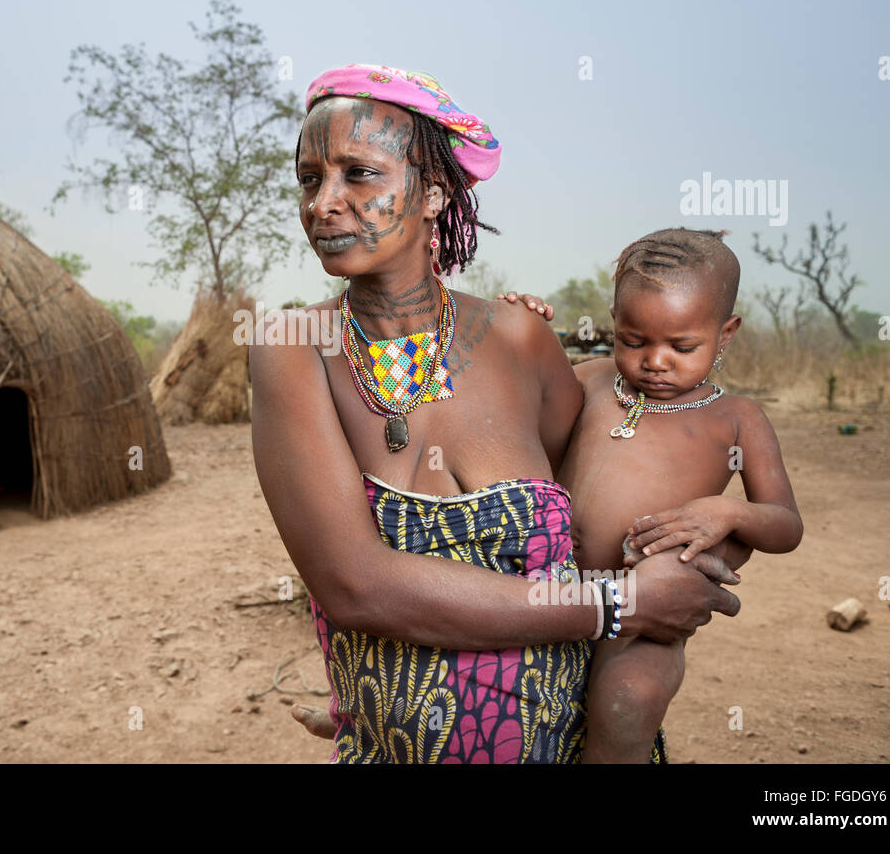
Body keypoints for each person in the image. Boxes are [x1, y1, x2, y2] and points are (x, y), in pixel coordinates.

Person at [250, 63, 741, 764]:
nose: (323, 202)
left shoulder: (519, 339)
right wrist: (620, 601)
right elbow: (357, 585)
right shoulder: (293, 351)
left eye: (358, 173)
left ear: (434, 192)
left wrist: (720, 523)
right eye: (309, 178)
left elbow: (606, 481)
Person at [556, 227, 803, 762]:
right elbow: (522, 405)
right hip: (554, 593)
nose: (655, 361)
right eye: (633, 340)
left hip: (650, 619)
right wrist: (522, 329)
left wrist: (729, 512)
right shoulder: (593, 380)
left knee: (626, 702)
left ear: (726, 332)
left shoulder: (738, 419)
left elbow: (786, 525)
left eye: (682, 346)